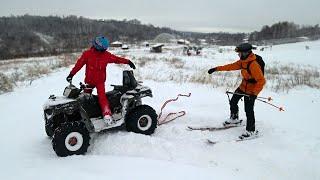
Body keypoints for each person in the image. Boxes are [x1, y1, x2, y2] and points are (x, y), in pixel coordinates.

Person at [66, 36, 136, 126]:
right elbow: (78, 65)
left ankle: (107, 114)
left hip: (100, 81)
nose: (102, 52)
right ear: (96, 46)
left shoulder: (106, 55)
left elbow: (117, 59)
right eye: (101, 50)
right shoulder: (87, 54)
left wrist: (128, 61)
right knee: (85, 98)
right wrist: (71, 74)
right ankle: (84, 115)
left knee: (102, 97)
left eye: (104, 50)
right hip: (89, 81)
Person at [207, 43, 266, 139]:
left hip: (251, 90)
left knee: (249, 110)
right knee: (233, 101)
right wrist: (216, 69)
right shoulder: (243, 61)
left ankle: (251, 131)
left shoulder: (253, 64)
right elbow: (230, 66)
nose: (238, 55)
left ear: (245, 53)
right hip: (243, 86)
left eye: (239, 53)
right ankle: (234, 119)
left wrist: (254, 94)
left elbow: (261, 81)